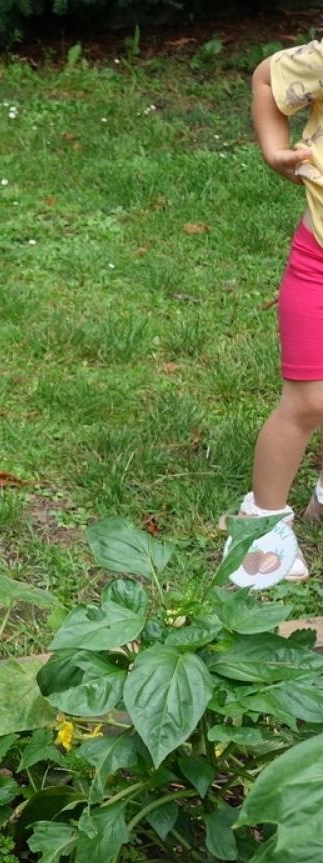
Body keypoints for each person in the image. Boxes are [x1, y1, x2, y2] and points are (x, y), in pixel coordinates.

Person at [220, 39, 323, 589]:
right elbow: (266, 78)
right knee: (309, 401)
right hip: (320, 265)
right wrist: (273, 146)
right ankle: (261, 523)